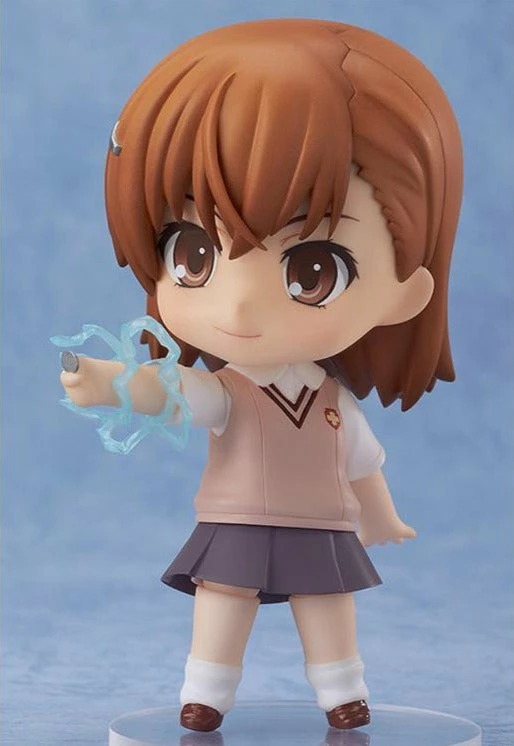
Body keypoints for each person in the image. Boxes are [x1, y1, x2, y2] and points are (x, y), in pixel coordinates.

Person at [60, 18, 463, 733]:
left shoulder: (333, 401)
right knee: (223, 602)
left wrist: (379, 515)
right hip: (237, 519)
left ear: (405, 293)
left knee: (328, 606)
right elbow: (171, 393)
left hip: (322, 521)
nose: (240, 304)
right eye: (193, 255)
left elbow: (363, 463)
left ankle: (343, 691)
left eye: (312, 270)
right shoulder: (231, 391)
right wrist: (106, 382)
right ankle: (205, 692)